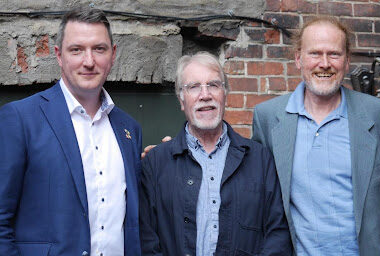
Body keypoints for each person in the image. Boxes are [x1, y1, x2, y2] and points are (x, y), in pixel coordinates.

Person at [252, 16, 380, 255]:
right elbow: (256, 190)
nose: (325, 63)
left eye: (334, 54)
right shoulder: (268, 118)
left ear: (347, 61)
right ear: (298, 59)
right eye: (315, 53)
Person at [0, 7, 142, 256]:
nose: (89, 61)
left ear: (113, 54)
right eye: (76, 50)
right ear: (59, 55)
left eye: (99, 49)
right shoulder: (20, 119)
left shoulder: (129, 129)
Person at [139, 51, 292, 256]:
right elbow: (145, 238)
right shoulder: (156, 163)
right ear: (182, 100)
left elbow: (277, 233)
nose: (205, 95)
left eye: (213, 85)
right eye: (194, 87)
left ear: (225, 94)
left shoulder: (260, 159)